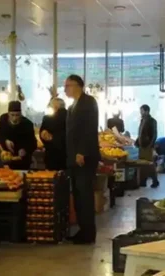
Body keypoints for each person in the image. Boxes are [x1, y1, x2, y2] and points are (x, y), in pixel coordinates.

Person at [64, 74, 100, 244]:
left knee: (85, 195)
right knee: (78, 196)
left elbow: (89, 129)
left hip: (84, 157)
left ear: (78, 85)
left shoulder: (88, 102)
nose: (65, 89)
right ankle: (82, 229)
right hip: (73, 158)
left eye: (68, 85)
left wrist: (82, 152)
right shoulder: (72, 106)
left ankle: (88, 233)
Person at [0, 101, 37, 170]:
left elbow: (33, 143)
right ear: (8, 114)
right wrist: (5, 141)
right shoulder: (3, 119)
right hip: (6, 159)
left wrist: (25, 149)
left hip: (22, 162)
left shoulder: (28, 124)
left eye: (17, 115)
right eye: (12, 115)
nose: (15, 118)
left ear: (21, 114)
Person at [39, 98, 67, 170]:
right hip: (68, 157)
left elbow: (42, 133)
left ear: (55, 107)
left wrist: (45, 135)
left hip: (51, 156)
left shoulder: (47, 119)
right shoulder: (71, 117)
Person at [135, 104, 159, 188]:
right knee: (143, 164)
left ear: (147, 111)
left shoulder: (152, 121)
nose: (140, 113)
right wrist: (137, 141)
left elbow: (154, 134)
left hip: (148, 145)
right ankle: (143, 181)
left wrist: (150, 145)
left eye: (142, 111)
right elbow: (141, 133)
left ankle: (155, 180)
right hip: (142, 146)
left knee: (149, 164)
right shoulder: (142, 120)